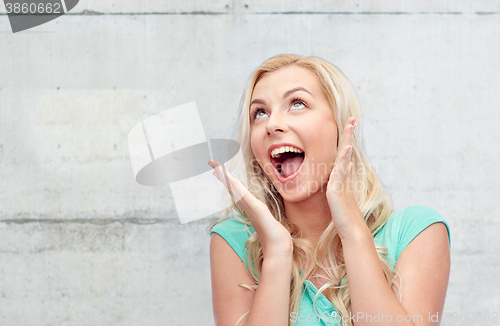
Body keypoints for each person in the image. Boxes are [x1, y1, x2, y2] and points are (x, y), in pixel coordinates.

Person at [207, 54, 451, 326]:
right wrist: (276, 254)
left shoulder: (416, 232)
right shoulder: (234, 241)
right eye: (260, 113)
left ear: (339, 124)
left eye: (297, 104)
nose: (272, 124)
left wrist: (352, 230)